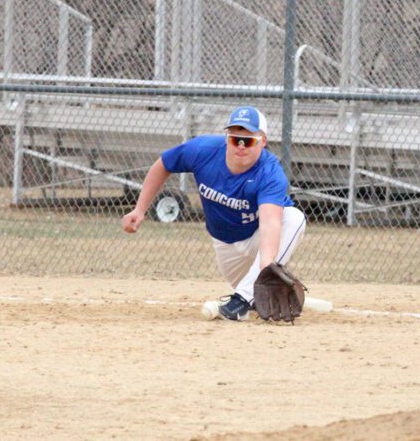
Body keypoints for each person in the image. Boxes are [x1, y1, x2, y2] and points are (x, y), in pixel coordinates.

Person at [122, 105, 306, 321]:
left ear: (263, 141)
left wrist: (266, 268)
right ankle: (248, 296)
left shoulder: (270, 173)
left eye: (247, 140)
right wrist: (140, 209)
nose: (239, 145)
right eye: (233, 138)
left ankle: (241, 300)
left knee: (295, 218)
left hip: (259, 238)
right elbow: (164, 164)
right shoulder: (204, 150)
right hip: (226, 246)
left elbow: (270, 224)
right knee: (253, 295)